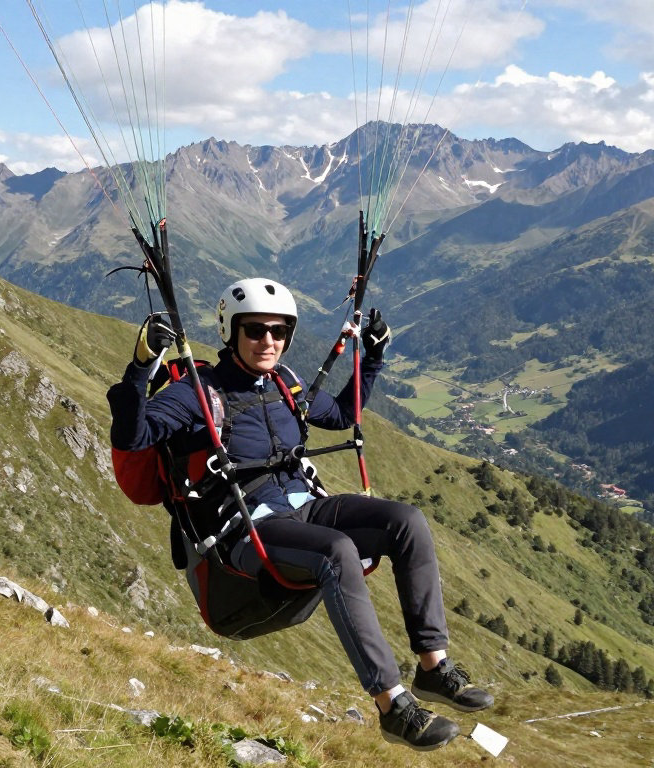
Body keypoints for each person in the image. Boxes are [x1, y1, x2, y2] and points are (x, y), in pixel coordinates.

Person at [108, 277, 494, 751]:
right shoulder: (198, 392)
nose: (268, 341)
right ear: (232, 331)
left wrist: (373, 358)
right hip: (246, 530)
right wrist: (141, 368)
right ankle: (393, 706)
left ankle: (433, 667)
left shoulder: (285, 383)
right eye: (255, 330)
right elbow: (134, 436)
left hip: (306, 507)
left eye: (279, 331)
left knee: (406, 521)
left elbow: (341, 414)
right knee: (337, 552)